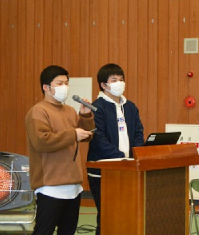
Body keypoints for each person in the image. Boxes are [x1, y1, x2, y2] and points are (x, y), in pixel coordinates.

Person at [25, 65, 95, 235]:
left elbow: (86, 136)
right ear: (46, 87)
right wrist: (72, 134)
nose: (65, 87)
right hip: (50, 186)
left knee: (68, 231)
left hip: (73, 186)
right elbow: (41, 141)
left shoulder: (70, 111)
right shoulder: (38, 111)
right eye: (60, 83)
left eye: (66, 82)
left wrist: (85, 116)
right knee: (44, 231)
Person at [87, 63, 145, 235]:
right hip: (103, 170)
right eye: (114, 80)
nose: (119, 83)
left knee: (126, 214)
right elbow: (98, 139)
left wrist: (135, 154)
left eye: (121, 80)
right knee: (107, 215)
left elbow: (138, 133)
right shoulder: (97, 107)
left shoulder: (131, 107)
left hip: (128, 168)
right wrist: (121, 157)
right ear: (103, 85)